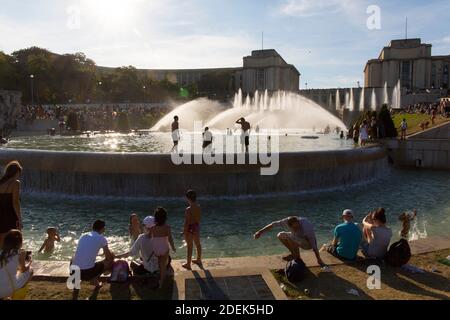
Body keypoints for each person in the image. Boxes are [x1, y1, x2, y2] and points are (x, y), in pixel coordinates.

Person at [254, 216, 325, 267]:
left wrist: (319, 259)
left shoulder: (307, 226)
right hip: (296, 238)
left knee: (291, 238)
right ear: (289, 225)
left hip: (307, 244)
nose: (295, 228)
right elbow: (273, 224)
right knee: (280, 235)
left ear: (298, 222)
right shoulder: (287, 221)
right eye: (293, 227)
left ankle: (296, 257)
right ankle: (294, 254)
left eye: (297, 227)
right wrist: (260, 232)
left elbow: (313, 244)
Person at [71, 220, 115, 287]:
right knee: (110, 258)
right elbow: (109, 257)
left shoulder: (83, 236)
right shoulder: (102, 238)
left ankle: (75, 280)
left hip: (74, 271)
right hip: (87, 274)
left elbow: (84, 251)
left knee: (74, 256)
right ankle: (94, 280)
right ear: (103, 228)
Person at [0, 230, 33, 300]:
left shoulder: (1, 252)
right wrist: (29, 262)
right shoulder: (21, 252)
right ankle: (17, 297)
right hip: (6, 290)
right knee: (30, 270)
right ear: (20, 242)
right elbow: (23, 269)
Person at [151, 207, 176, 288]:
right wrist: (173, 247)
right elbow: (170, 239)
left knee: (159, 263)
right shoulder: (167, 227)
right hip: (164, 249)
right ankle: (161, 282)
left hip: (156, 249)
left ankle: (159, 275)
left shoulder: (153, 228)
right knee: (163, 265)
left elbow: (150, 237)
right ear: (165, 217)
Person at [0, 161, 23, 248]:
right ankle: (15, 259)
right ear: (17, 172)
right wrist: (20, 219)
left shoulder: (1, 182)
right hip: (10, 214)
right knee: (16, 237)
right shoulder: (15, 183)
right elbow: (15, 202)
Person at [182, 190, 202, 270]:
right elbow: (199, 219)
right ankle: (198, 259)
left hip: (190, 228)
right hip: (196, 227)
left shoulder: (188, 209)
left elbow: (187, 222)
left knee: (189, 247)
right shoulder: (198, 207)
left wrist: (184, 231)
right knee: (198, 244)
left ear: (188, 198)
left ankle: (188, 264)